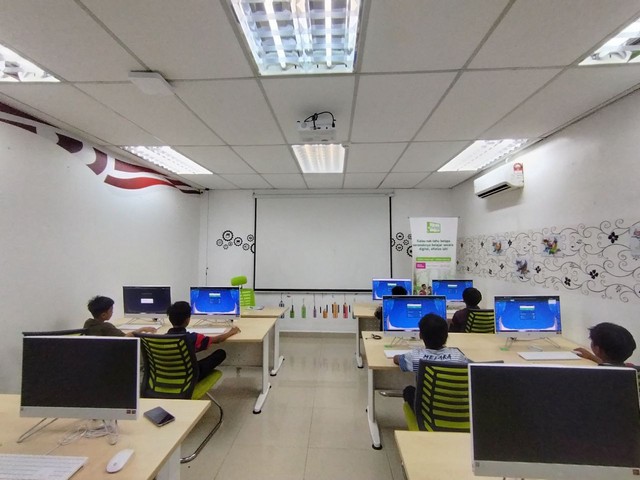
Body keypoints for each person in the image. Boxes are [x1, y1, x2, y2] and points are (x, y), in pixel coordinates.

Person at [394, 313, 470, 410]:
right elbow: (471, 365)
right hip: (456, 410)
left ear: (420, 335)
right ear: (447, 335)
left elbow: (397, 359)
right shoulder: (458, 356)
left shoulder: (415, 357)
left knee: (409, 391)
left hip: (428, 412)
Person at [166, 301, 240, 376]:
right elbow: (217, 340)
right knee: (220, 353)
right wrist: (231, 332)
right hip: (190, 376)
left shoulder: (161, 338)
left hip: (166, 375)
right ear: (187, 320)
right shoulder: (193, 338)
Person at [84, 295, 157, 336]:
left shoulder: (88, 323)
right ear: (103, 315)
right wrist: (142, 329)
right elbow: (126, 337)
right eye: (111, 310)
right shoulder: (107, 327)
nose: (112, 312)